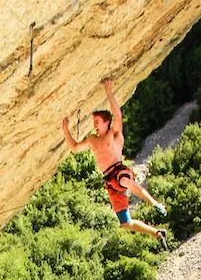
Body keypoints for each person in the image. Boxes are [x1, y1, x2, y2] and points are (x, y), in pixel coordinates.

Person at [62, 79, 168, 250]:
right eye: (94, 122)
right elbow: (74, 147)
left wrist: (108, 91)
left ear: (106, 122)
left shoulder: (114, 134)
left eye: (97, 122)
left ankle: (155, 203)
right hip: (110, 181)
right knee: (125, 223)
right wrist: (66, 130)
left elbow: (118, 116)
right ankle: (156, 233)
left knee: (126, 182)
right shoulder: (92, 140)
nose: (95, 125)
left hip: (119, 171)